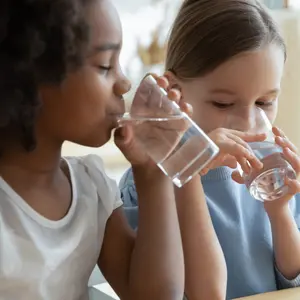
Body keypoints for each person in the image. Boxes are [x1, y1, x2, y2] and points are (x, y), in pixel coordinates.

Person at [0, 0, 193, 299]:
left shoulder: (92, 188)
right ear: (27, 75)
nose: (125, 83)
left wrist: (152, 171)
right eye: (105, 65)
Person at [120, 0, 300, 299]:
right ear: (173, 92)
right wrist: (188, 161)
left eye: (265, 102)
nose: (249, 123)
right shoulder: (149, 182)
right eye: (223, 104)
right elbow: (200, 292)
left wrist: (280, 213)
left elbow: (292, 282)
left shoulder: (273, 174)